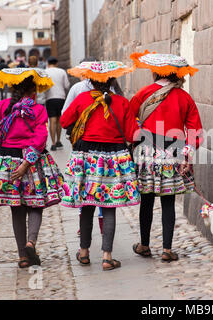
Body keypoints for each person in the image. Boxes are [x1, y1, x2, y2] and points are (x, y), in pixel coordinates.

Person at [0, 68, 64, 269]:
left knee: (16, 209)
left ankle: (22, 257)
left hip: (7, 161)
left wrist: (1, 132)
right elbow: (41, 138)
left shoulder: (3, 106)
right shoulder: (37, 110)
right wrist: (27, 162)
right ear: (33, 91)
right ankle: (31, 242)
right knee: (36, 204)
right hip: (32, 161)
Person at [60, 61, 140, 271]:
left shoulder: (82, 98)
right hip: (113, 158)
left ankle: (84, 253)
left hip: (86, 156)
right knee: (109, 206)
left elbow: (64, 121)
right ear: (112, 80)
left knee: (86, 205)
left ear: (90, 81)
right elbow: (132, 134)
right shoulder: (122, 102)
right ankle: (107, 257)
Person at [129, 51, 203, 263]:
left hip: (146, 152)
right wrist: (187, 156)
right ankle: (167, 249)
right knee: (168, 201)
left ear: (155, 72)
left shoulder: (143, 93)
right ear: (175, 73)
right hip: (173, 153)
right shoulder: (184, 97)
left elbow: (130, 120)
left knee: (147, 199)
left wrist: (138, 134)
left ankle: (144, 244)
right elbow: (195, 130)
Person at [44, 56, 70, 151]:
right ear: (56, 63)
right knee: (59, 120)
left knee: (52, 121)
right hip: (61, 98)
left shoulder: (45, 72)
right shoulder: (62, 71)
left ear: (48, 63)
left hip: (50, 98)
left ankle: (53, 143)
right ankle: (59, 140)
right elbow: (67, 85)